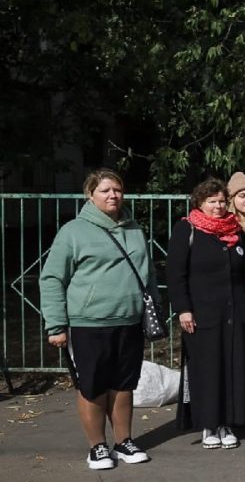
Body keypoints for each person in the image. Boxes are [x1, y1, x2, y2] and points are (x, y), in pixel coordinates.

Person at [39, 168, 152, 469]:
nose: (113, 195)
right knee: (92, 386)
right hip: (89, 323)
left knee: (125, 384)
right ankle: (97, 447)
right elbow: (51, 278)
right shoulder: (73, 231)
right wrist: (56, 325)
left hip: (129, 321)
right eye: (105, 190)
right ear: (90, 195)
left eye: (117, 189)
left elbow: (147, 275)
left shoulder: (134, 229)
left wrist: (151, 311)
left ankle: (124, 442)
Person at [167, 178, 245, 449]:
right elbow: (175, 274)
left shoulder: (235, 230)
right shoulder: (187, 229)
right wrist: (183, 309)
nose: (218, 207)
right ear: (200, 203)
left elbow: (244, 275)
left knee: (233, 367)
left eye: (221, 201)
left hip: (235, 311)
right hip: (203, 313)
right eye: (212, 202)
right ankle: (208, 424)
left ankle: (228, 422)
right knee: (207, 369)